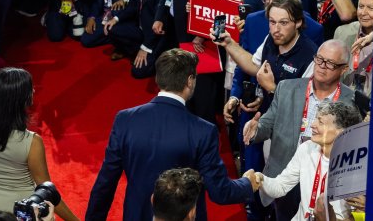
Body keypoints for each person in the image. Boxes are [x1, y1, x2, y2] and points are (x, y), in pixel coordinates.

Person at [86, 49, 258, 221]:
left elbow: (105, 183)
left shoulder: (125, 120)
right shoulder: (203, 131)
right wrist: (247, 184)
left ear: (158, 78)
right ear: (190, 80)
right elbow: (220, 191)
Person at [0, 68, 80, 221]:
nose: (33, 91)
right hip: (24, 212)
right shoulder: (32, 142)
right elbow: (46, 191)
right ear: (20, 99)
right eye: (30, 88)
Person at [248, 101, 363, 221]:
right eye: (315, 119)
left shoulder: (356, 164)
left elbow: (358, 214)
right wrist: (260, 179)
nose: (312, 125)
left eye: (320, 122)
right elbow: (281, 186)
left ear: (341, 132)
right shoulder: (306, 148)